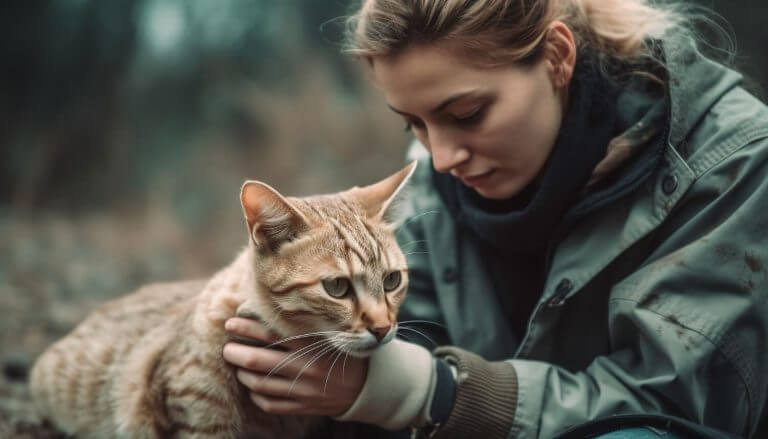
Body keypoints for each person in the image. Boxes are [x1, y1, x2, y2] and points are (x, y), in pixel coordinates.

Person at [222, 0, 768, 437]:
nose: (439, 157)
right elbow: (406, 341)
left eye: (466, 115)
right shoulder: (435, 183)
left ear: (557, 56)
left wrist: (433, 393)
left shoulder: (735, 163)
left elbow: (674, 410)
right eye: (413, 123)